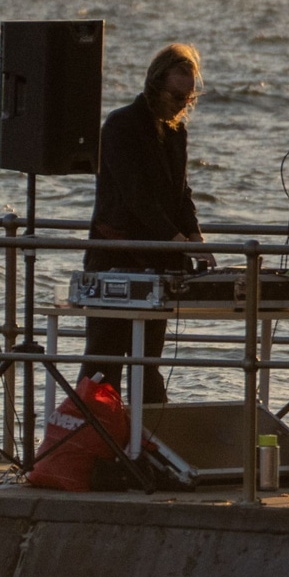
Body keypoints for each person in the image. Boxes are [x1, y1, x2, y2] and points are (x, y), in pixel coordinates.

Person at [80, 43, 206, 403]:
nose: (182, 102)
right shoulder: (121, 125)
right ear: (155, 84)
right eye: (176, 94)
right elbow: (136, 197)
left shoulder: (176, 133)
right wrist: (175, 237)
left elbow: (180, 192)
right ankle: (90, 444)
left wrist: (194, 234)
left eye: (188, 95)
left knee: (147, 361)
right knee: (103, 363)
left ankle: (146, 446)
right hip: (114, 258)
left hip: (157, 262)